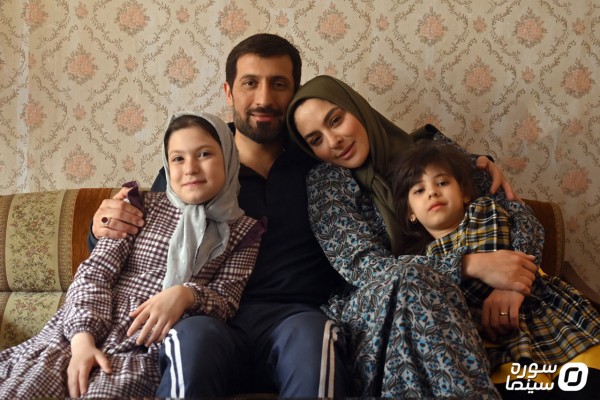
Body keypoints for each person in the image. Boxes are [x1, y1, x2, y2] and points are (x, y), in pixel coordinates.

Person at [87, 33, 351, 398]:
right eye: (250, 83)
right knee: (190, 341)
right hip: (206, 318)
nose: (264, 99)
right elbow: (140, 237)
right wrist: (100, 226)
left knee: (315, 337)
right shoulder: (195, 162)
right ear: (229, 93)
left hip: (295, 318)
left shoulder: (320, 161)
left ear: (295, 93)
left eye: (278, 84)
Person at [286, 75, 539, 398]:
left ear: (357, 108)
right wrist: (469, 265)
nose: (333, 140)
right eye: (316, 139)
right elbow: (364, 267)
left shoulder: (428, 152)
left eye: (335, 120)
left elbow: (517, 213)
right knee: (412, 277)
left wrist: (513, 284)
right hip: (373, 311)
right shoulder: (326, 183)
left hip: (448, 306)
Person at [0, 111, 264, 398]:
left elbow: (225, 302)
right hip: (79, 334)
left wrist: (186, 295)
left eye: (204, 154)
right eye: (178, 158)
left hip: (142, 350)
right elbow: (94, 273)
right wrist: (82, 341)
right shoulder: (139, 207)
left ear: (228, 157)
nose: (190, 168)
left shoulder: (244, 232)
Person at [390, 140, 600, 399]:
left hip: (548, 319)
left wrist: (506, 284)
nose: (432, 192)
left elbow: (505, 252)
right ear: (410, 213)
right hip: (494, 342)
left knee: (586, 386)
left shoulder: (484, 211)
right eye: (419, 190)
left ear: (464, 193)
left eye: (442, 182)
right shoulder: (420, 262)